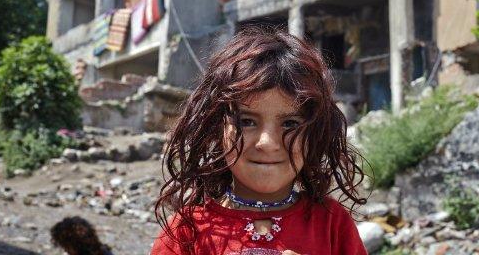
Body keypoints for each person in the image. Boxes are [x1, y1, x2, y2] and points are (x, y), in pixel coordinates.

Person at [151, 28, 368, 255]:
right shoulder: (186, 231)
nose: (268, 142)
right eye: (246, 121)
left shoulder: (331, 224)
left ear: (313, 135)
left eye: (290, 124)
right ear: (217, 128)